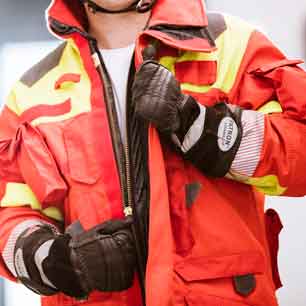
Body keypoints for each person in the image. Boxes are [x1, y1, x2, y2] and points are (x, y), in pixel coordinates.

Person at [0, 0, 306, 305]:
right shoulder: (32, 94)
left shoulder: (229, 46)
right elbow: (10, 217)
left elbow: (300, 155)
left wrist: (201, 126)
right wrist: (58, 261)